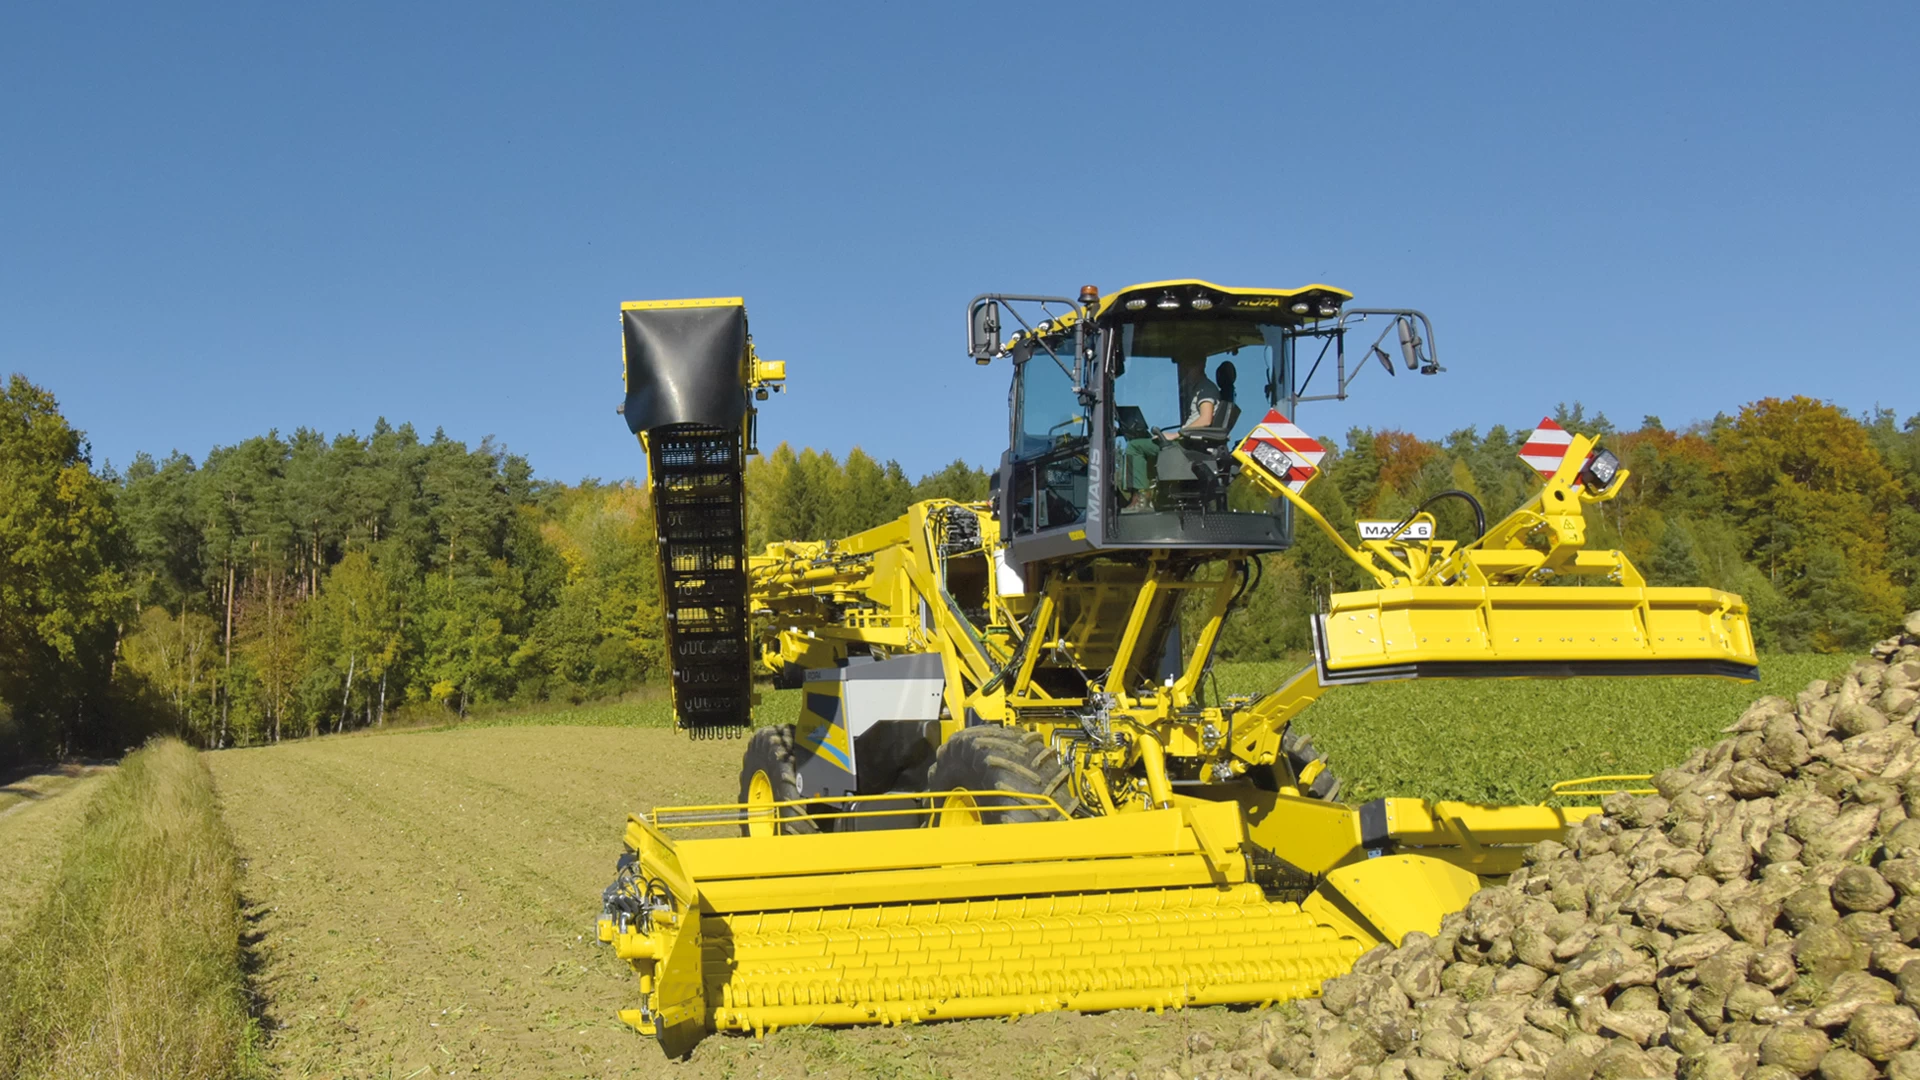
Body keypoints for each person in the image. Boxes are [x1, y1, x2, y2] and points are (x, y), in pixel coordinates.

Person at [1120, 354, 1222, 511]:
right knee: (1146, 444)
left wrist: (1176, 435)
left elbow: (1205, 419)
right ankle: (1151, 496)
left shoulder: (1205, 389)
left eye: (1187, 366)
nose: (1184, 371)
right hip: (1188, 441)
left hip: (1188, 445)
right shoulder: (1200, 388)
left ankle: (1141, 499)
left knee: (1135, 447)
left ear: (1198, 366)